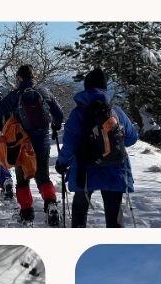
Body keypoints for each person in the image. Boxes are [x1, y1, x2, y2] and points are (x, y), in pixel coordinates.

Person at [54, 67, 138, 227]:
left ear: (86, 87)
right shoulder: (116, 112)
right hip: (115, 169)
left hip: (84, 171)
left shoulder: (77, 114)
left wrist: (62, 163)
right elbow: (131, 139)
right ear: (105, 88)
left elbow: (70, 145)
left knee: (80, 207)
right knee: (114, 216)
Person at [0, 64, 64, 226]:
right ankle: (51, 203)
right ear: (33, 76)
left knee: (23, 180)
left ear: (19, 78)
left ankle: (26, 213)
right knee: (43, 177)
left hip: (22, 146)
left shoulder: (15, 95)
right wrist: (55, 125)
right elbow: (59, 114)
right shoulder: (44, 91)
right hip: (42, 144)